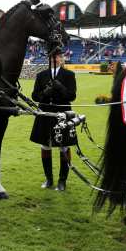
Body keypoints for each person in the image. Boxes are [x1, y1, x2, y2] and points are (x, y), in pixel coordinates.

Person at [30, 48, 77, 191]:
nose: (54, 59)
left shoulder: (69, 75)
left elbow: (72, 96)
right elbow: (34, 96)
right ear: (48, 59)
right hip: (45, 114)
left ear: (61, 58)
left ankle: (62, 181)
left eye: (57, 57)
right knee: (45, 146)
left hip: (62, 114)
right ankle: (49, 179)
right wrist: (45, 93)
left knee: (64, 147)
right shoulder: (41, 75)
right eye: (52, 57)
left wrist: (61, 88)